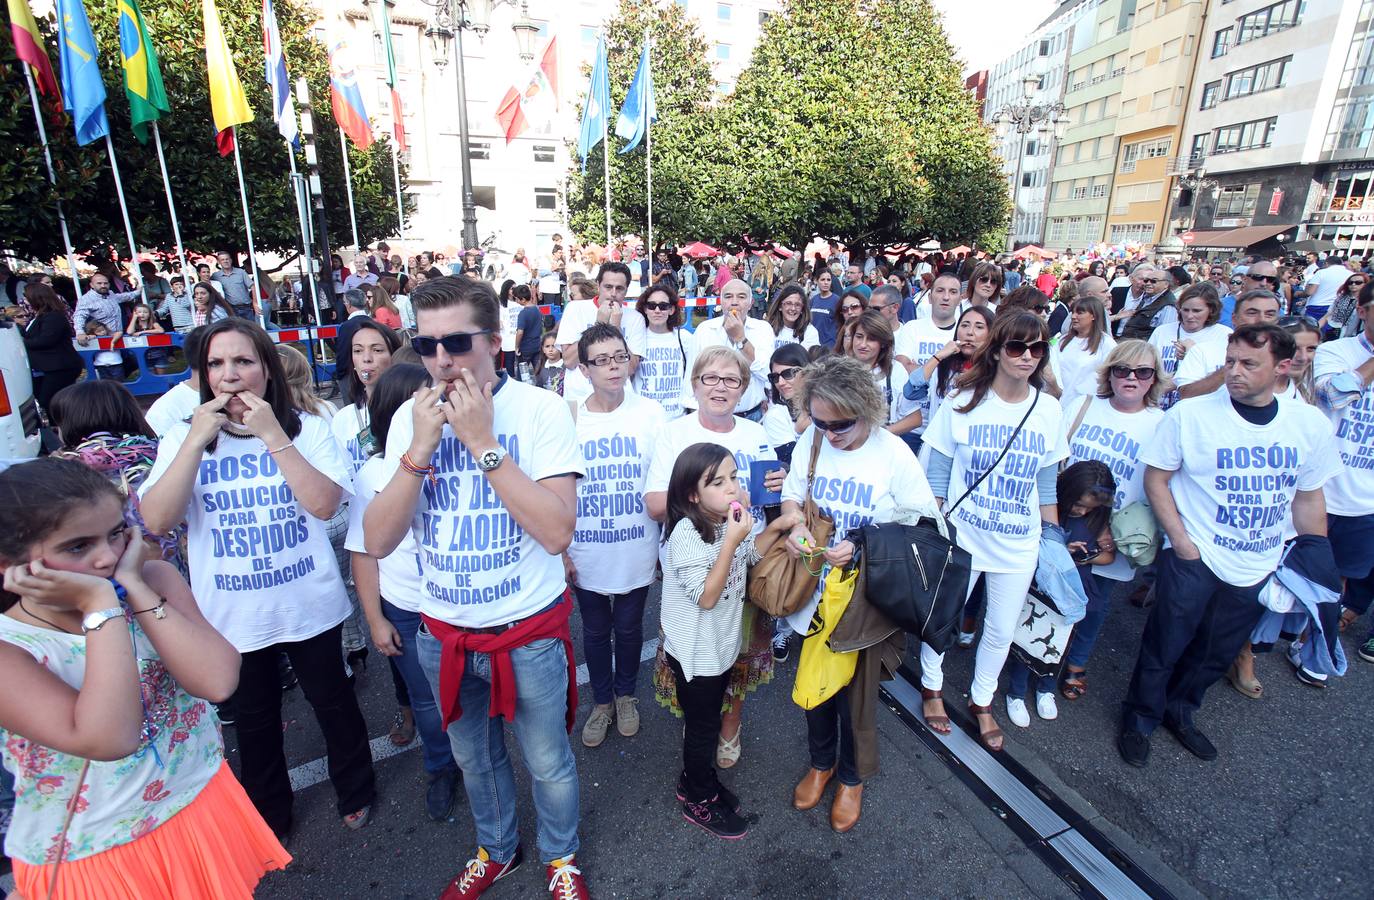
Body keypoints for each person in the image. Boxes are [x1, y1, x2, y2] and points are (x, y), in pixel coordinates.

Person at [361, 275, 590, 898]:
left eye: (457, 343)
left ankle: (561, 855)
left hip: (527, 631)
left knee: (547, 760)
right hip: (444, 634)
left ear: (494, 341)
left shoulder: (540, 410)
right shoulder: (412, 417)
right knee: (475, 761)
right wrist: (419, 449)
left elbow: (556, 532)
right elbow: (377, 540)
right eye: (425, 344)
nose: (440, 359)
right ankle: (497, 849)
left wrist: (484, 444)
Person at [0, 457, 290, 900]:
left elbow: (217, 681)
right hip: (100, 852)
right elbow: (110, 738)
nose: (107, 557)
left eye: (117, 533)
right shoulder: (12, 649)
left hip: (195, 798)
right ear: (10, 565)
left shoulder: (152, 580)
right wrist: (100, 607)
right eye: (77, 547)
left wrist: (135, 588)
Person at [140, 317, 376, 838]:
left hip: (309, 603)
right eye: (216, 364)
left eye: (243, 361)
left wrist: (273, 435)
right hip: (231, 614)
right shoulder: (183, 437)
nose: (229, 375)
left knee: (334, 703)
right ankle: (271, 812)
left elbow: (324, 504)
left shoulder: (307, 429)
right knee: (254, 720)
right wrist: (194, 442)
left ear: (267, 369)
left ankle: (356, 789)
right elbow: (156, 520)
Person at [1119, 324, 1342, 767]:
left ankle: (1180, 711)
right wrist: (1181, 543)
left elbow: (1308, 496)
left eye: (1248, 364)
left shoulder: (1309, 425)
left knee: (1215, 651)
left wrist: (1314, 554)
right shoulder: (1191, 415)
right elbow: (1157, 479)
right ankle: (1139, 718)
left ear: (1282, 367)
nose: (1234, 372)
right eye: (1230, 362)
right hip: (1195, 555)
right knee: (1165, 643)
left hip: (1258, 563)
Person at [781, 355, 937, 831]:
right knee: (815, 688)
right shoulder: (811, 440)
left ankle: (851, 777)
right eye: (821, 422)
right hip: (813, 591)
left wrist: (863, 544)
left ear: (866, 409)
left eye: (842, 424)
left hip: (866, 600)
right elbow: (792, 496)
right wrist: (794, 525)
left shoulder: (894, 453)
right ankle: (821, 763)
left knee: (856, 698)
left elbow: (925, 524)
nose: (830, 434)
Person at [920, 311, 1068, 752]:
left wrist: (1053, 537)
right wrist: (935, 528)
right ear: (998, 350)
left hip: (1018, 541)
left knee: (1002, 629)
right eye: (1018, 347)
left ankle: (982, 698)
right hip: (964, 535)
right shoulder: (964, 398)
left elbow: (1046, 481)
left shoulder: (1048, 409)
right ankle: (931, 686)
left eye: (1037, 348)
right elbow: (939, 470)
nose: (1027, 356)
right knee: (944, 619)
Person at [644, 347, 784, 770]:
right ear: (695, 384)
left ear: (744, 389)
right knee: (696, 658)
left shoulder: (755, 433)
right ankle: (699, 721)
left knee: (740, 655)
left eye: (732, 380)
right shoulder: (674, 433)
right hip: (697, 569)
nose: (721, 387)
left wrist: (774, 487)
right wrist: (718, 504)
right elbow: (654, 504)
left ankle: (730, 727)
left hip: (749, 561)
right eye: (711, 378)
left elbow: (769, 499)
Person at [343, 363, 463, 822]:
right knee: (427, 700)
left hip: (457, 604)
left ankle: (478, 764)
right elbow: (363, 552)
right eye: (422, 400)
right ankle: (441, 768)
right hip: (408, 609)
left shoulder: (457, 455)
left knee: (471, 695)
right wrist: (376, 620)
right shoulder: (374, 473)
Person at [659, 443, 794, 839]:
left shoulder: (725, 521)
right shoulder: (687, 533)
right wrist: (733, 540)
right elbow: (706, 596)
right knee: (702, 728)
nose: (732, 487)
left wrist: (774, 529)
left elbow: (748, 556)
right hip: (696, 654)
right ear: (692, 494)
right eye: (717, 482)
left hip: (719, 645)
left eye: (733, 477)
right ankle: (697, 797)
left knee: (708, 720)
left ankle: (696, 780)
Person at [566, 324, 667, 749]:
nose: (614, 367)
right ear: (584, 369)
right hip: (586, 546)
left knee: (628, 628)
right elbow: (555, 488)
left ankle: (625, 696)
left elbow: (664, 480)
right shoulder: (568, 415)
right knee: (593, 630)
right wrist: (561, 551)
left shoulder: (652, 413)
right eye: (602, 360)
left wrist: (664, 543)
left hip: (637, 543)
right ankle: (602, 702)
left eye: (620, 357)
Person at [1057, 340, 1169, 699]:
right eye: (1122, 370)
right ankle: (1041, 654)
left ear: (1154, 379)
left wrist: (1118, 529)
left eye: (1142, 372)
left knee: (1096, 603)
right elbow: (1056, 459)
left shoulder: (1162, 424)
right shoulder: (1083, 405)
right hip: (1068, 519)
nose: (1131, 378)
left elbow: (1159, 485)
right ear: (1110, 373)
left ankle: (1076, 662)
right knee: (1050, 589)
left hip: (1113, 532)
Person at [1003, 461, 1116, 727]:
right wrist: (1061, 549)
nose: (1082, 511)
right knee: (1028, 640)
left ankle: (1046, 689)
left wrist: (1087, 556)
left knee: (1059, 645)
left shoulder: (1098, 519)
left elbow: (1110, 558)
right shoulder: (1048, 510)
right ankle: (1016, 692)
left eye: (1089, 508)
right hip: (1042, 588)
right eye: (1079, 505)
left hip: (1074, 590)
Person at [1313, 284, 1374, 661]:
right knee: (1295, 572)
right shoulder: (1336, 351)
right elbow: (1333, 396)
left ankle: (1314, 644)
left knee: (1340, 578)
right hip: (1320, 490)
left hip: (1366, 499)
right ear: (1362, 311)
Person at [902, 306, 996, 458]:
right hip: (938, 447)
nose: (970, 332)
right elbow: (911, 392)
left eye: (979, 327)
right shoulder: (943, 365)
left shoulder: (997, 371)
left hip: (973, 452)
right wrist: (939, 356)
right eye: (964, 325)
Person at [556, 262, 648, 401]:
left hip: (618, 399)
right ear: (598, 285)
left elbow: (630, 369)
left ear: (626, 290)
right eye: (608, 287)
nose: (613, 293)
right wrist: (599, 325)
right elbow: (569, 361)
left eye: (619, 288)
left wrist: (615, 330)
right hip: (579, 397)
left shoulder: (635, 318)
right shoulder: (575, 309)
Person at [692, 279, 776, 422]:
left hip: (751, 416)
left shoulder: (763, 329)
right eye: (728, 296)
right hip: (710, 417)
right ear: (721, 302)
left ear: (750, 303)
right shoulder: (705, 330)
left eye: (741, 297)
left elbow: (768, 374)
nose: (734, 302)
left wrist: (741, 339)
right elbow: (693, 376)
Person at [1176, 290, 1281, 400]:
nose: (1261, 320)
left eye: (1269, 314)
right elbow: (1186, 395)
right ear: (1234, 318)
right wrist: (1228, 370)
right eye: (1252, 313)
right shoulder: (1202, 351)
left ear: (1277, 321)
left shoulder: (1285, 356)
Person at [330, 319, 403, 473]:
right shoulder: (343, 418)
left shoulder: (409, 410)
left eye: (377, 350)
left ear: (394, 356)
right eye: (358, 351)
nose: (366, 358)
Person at [843, 311, 922, 447]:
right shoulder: (840, 369)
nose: (863, 344)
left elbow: (915, 418)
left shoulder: (896, 370)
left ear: (883, 343)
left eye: (871, 339)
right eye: (859, 337)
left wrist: (881, 434)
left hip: (882, 445)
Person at [1148, 283, 1231, 409]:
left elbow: (1222, 378)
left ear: (1211, 310)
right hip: (1159, 406)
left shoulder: (1224, 335)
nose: (1189, 316)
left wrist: (1193, 354)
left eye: (1197, 311)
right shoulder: (1162, 331)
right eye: (1185, 310)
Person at [20, 281, 84, 416]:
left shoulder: (53, 317)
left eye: (26, 296)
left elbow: (46, 340)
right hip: (49, 367)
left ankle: (63, 425)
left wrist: (22, 342)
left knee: (49, 401)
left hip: (61, 367)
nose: (24, 299)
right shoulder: (39, 316)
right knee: (44, 400)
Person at [635, 282, 697, 418]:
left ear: (671, 310)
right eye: (651, 306)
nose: (657, 310)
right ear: (645, 309)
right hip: (645, 418)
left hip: (677, 418)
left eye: (663, 306)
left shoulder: (684, 338)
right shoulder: (636, 338)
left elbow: (694, 376)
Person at [1050, 296, 1115, 411]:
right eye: (1073, 312)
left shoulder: (1106, 343)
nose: (1073, 316)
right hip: (1060, 402)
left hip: (1087, 406)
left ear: (1094, 316)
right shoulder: (1063, 340)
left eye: (1080, 313)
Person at [761, 343, 811, 468]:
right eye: (775, 377)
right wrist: (798, 431)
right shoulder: (775, 415)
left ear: (806, 371)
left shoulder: (825, 405)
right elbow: (790, 464)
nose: (780, 382)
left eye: (788, 373)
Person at [74, 272, 141, 342]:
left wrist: (137, 292)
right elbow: (79, 316)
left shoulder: (110, 294)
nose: (103, 285)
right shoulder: (86, 299)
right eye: (99, 283)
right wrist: (80, 333)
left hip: (119, 337)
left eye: (105, 283)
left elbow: (122, 297)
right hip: (102, 340)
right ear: (92, 285)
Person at [766, 282, 820, 350]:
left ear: (802, 308)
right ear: (780, 306)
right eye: (788, 303)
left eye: (797, 305)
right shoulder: (767, 329)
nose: (793, 308)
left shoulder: (810, 332)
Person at [1303, 256, 1358, 320]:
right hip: (1338, 307)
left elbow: (1309, 292)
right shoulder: (1351, 275)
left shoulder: (1321, 272)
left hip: (1318, 306)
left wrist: (1299, 294)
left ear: (1326, 263)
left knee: (1311, 325)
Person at [1319, 271, 1368, 340]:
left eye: (1358, 282)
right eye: (1350, 282)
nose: (1353, 284)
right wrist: (1316, 329)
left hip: (1355, 336)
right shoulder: (1340, 299)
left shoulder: (1366, 301)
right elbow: (1327, 315)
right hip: (1335, 333)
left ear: (1365, 284)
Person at [125, 302, 169, 374]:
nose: (142, 314)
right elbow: (129, 332)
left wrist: (142, 332)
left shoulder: (153, 323)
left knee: (161, 376)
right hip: (144, 356)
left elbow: (161, 330)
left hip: (158, 354)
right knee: (150, 375)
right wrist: (134, 318)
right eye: (139, 312)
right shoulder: (135, 325)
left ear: (149, 314)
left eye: (145, 312)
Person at [211, 251, 256, 319]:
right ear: (219, 262)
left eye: (227, 259)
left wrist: (255, 303)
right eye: (222, 260)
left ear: (231, 260)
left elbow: (253, 286)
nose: (225, 261)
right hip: (231, 310)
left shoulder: (240, 272)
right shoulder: (216, 276)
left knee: (250, 326)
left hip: (246, 308)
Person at [513, 284, 544, 378]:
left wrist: (516, 347)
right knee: (539, 371)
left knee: (523, 375)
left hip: (525, 347)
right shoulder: (537, 309)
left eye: (516, 299)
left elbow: (520, 332)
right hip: (537, 345)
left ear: (522, 299)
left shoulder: (523, 313)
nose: (516, 301)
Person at [809, 269, 841, 347]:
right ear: (816, 281)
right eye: (823, 279)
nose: (826, 282)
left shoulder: (837, 300)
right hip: (813, 344)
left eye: (828, 280)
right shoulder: (813, 300)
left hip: (829, 346)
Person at [832, 289, 869, 353]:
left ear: (863, 308)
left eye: (854, 306)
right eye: (844, 309)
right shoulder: (840, 335)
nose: (849, 312)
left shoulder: (873, 331)